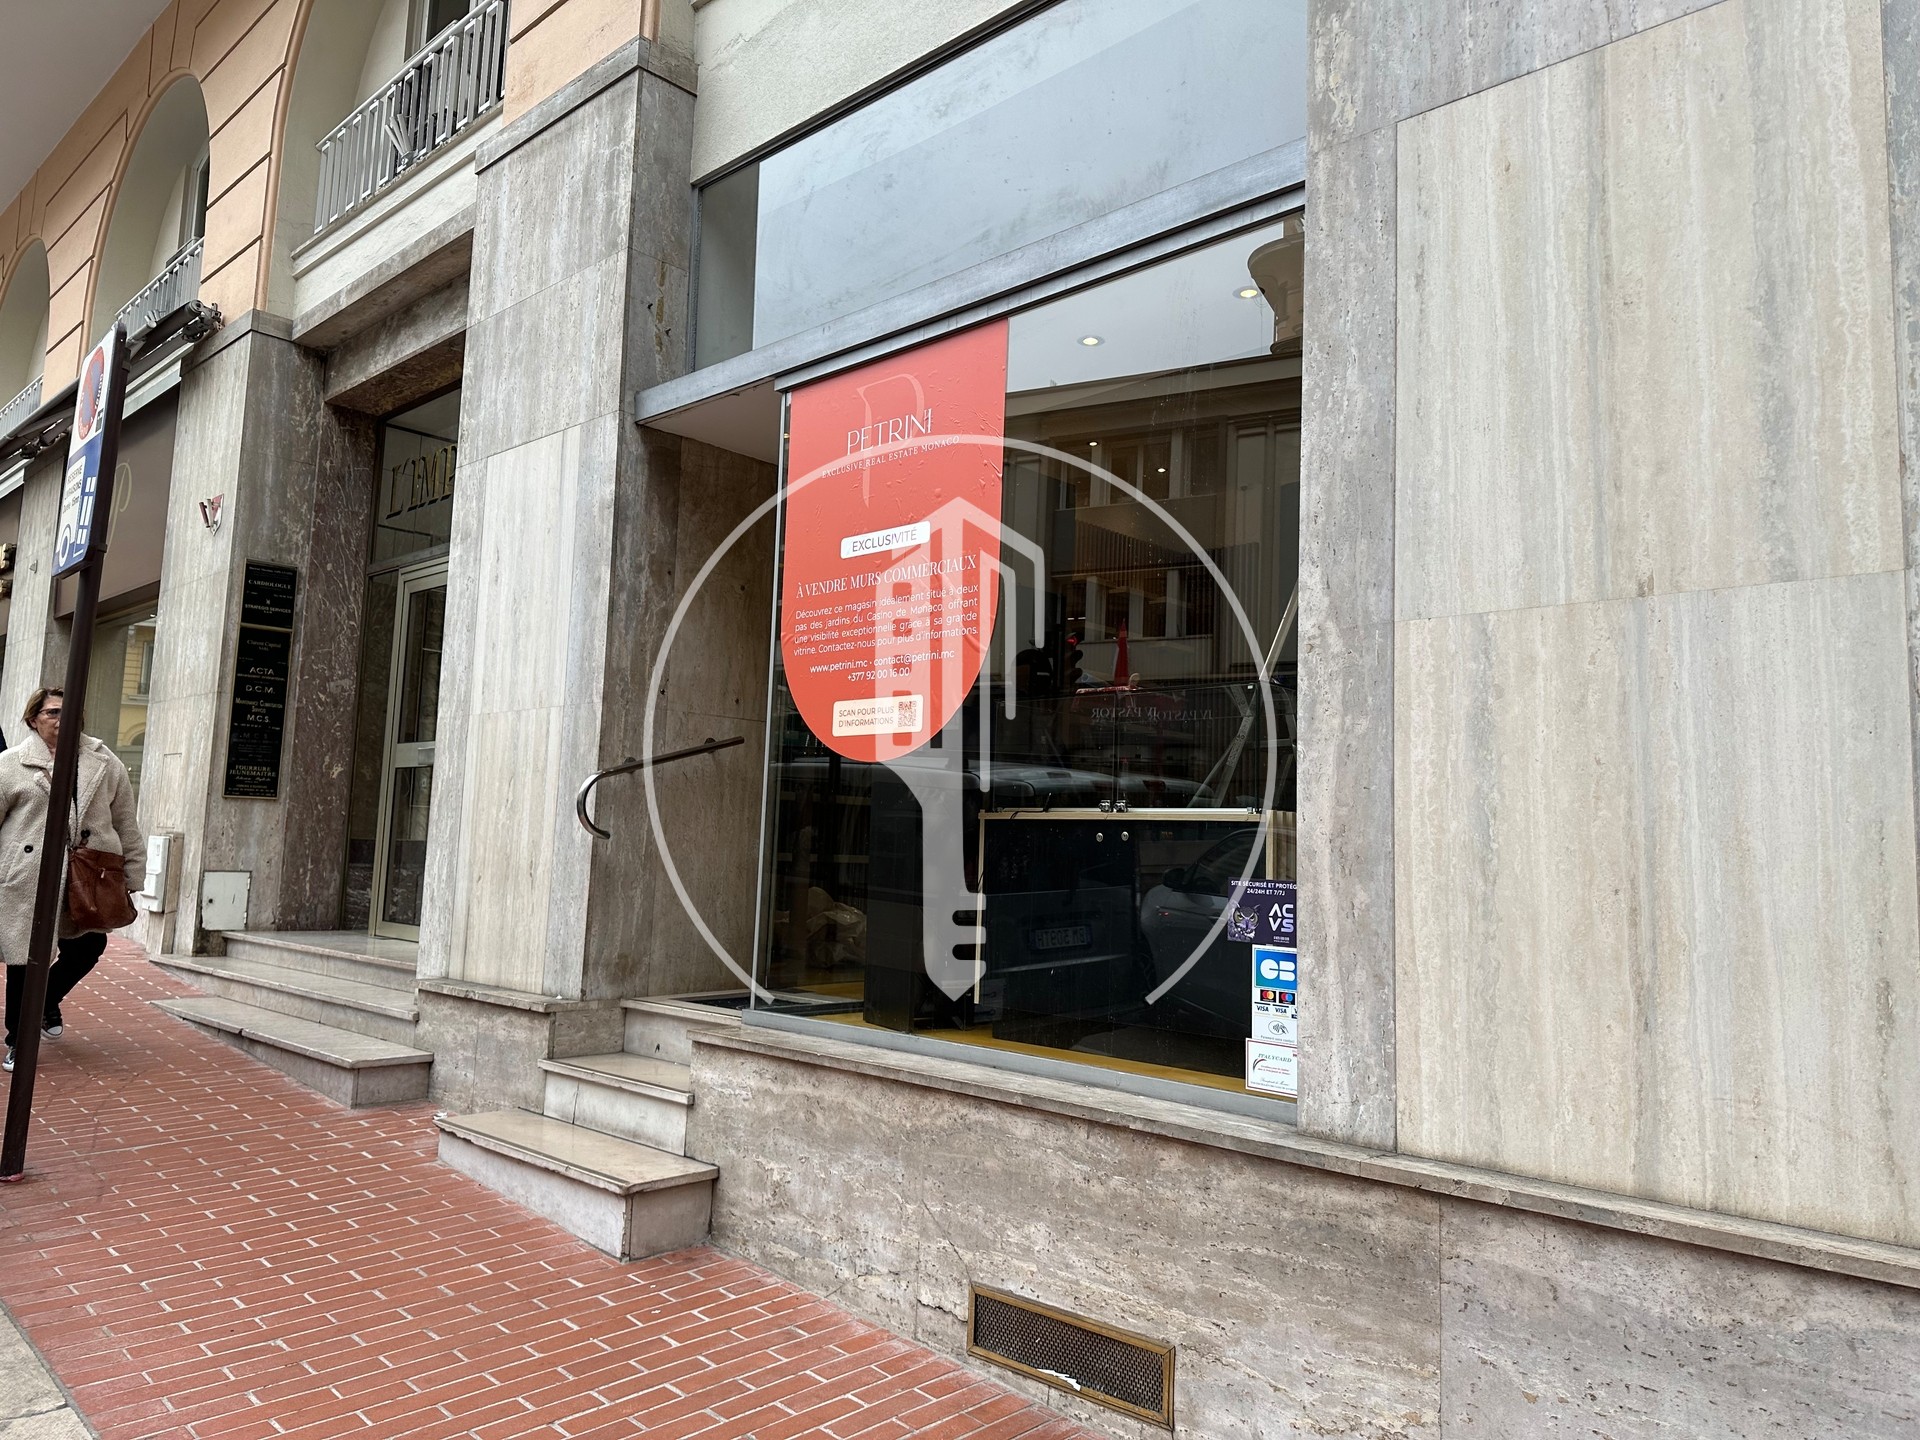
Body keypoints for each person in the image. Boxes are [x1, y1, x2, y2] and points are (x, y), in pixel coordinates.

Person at [1, 688, 145, 1072]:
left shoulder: (104, 761)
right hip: (28, 876)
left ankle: (46, 1001)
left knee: (89, 946)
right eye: (52, 712)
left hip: (87, 874)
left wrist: (133, 872)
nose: (62, 719)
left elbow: (125, 821)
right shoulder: (11, 764)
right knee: (25, 958)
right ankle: (18, 1041)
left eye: (70, 712)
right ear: (33, 719)